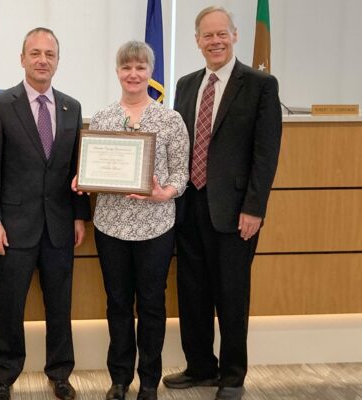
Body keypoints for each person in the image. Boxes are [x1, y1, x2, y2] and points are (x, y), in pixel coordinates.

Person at [161, 6, 282, 400]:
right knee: (192, 291)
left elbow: (266, 153)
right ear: (196, 40)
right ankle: (200, 366)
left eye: (221, 34)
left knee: (231, 294)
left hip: (234, 210)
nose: (214, 41)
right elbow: (177, 144)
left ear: (235, 36)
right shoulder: (185, 84)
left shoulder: (260, 84)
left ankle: (232, 376)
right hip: (188, 205)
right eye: (207, 35)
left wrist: (255, 208)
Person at [0, 27, 91, 400]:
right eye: (35, 53)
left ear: (58, 61)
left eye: (50, 55)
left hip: (59, 226)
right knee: (9, 304)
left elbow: (76, 168)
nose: (43, 60)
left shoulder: (72, 107)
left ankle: (60, 372)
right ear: (22, 58)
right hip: (13, 227)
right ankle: (4, 377)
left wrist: (78, 216)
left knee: (60, 304)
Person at [73, 41, 189, 400]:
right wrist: (82, 179)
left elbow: (181, 176)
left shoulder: (170, 119)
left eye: (140, 67)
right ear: (118, 72)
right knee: (118, 303)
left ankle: (150, 381)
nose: (133, 74)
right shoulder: (104, 117)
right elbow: (90, 166)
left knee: (152, 304)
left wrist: (163, 193)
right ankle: (120, 379)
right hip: (111, 226)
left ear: (150, 72)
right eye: (127, 68)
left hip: (155, 226)